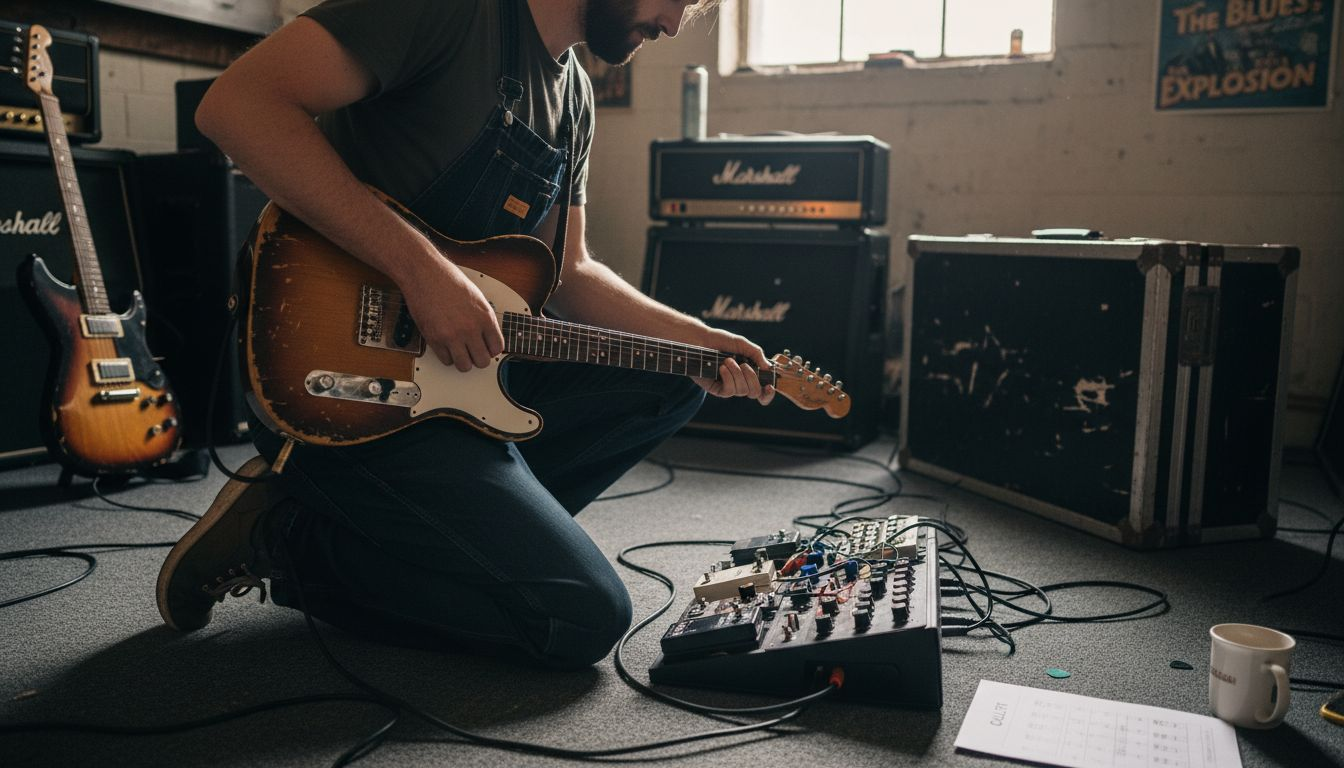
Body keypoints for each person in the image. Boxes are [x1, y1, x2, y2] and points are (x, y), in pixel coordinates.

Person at [155, 0, 775, 670]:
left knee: (674, 379)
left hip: (463, 383)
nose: (675, 25)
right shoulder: (447, 11)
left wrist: (700, 338)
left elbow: (569, 272)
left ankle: (442, 535)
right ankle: (290, 537)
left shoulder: (574, 96)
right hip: (344, 388)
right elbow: (235, 105)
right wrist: (423, 272)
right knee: (581, 620)